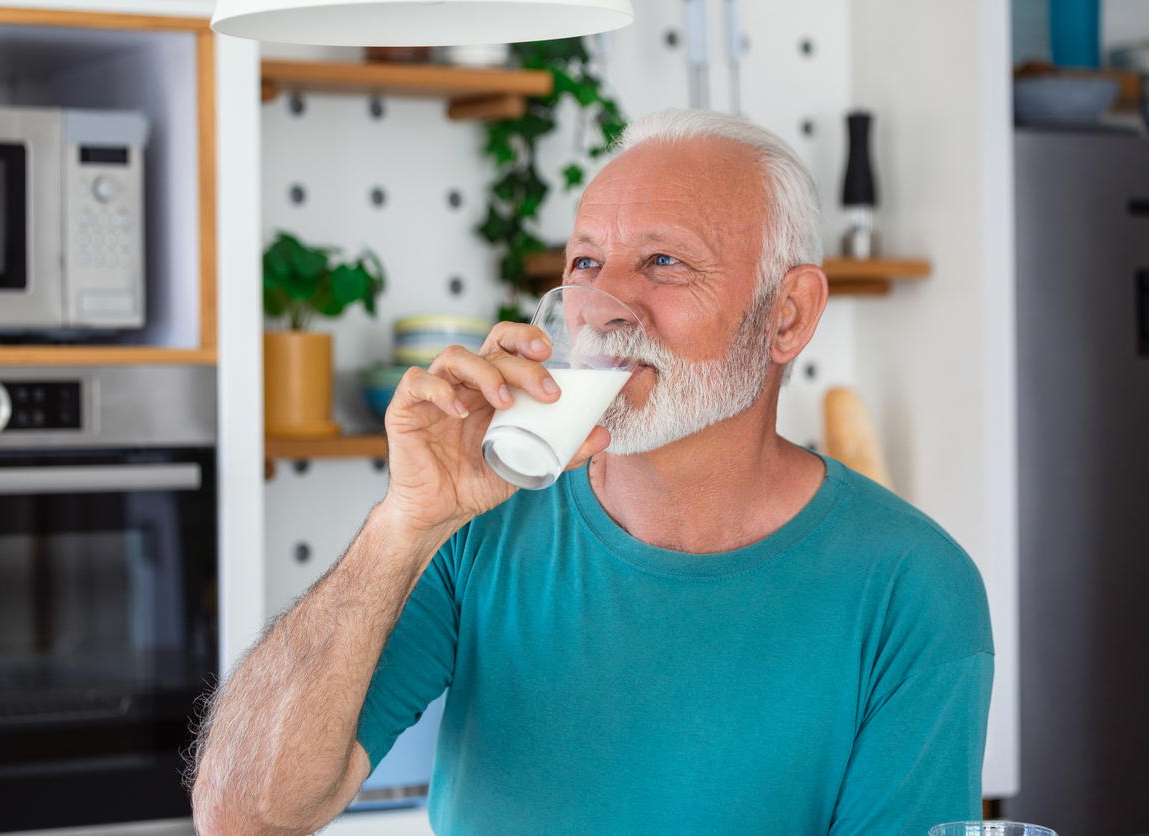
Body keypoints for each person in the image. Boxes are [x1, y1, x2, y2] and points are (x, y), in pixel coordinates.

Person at [189, 108, 994, 836]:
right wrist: (405, 520)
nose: (603, 304)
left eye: (665, 261)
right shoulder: (480, 528)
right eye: (583, 263)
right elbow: (242, 815)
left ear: (787, 315)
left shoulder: (911, 587)